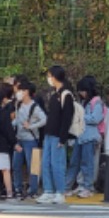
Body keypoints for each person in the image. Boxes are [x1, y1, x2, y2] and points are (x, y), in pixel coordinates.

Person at [36, 66, 75, 205]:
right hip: (49, 134)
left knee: (57, 164)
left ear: (54, 76)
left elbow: (67, 118)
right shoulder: (54, 95)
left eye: (49, 75)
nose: (48, 79)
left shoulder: (66, 95)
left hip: (58, 135)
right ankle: (48, 191)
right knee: (46, 163)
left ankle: (60, 192)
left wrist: (63, 137)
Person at [65, 77, 104, 199]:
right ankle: (66, 187)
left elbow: (96, 118)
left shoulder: (96, 102)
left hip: (90, 137)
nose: (81, 93)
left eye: (83, 90)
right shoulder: (84, 102)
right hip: (80, 136)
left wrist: (81, 117)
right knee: (74, 163)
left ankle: (88, 187)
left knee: (87, 164)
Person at [11, 82, 47, 199]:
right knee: (16, 164)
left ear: (26, 92)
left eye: (20, 90)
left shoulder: (34, 107)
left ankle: (33, 190)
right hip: (19, 139)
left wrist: (31, 126)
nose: (18, 92)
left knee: (33, 166)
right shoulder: (18, 105)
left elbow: (44, 119)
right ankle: (18, 188)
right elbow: (17, 120)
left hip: (31, 140)